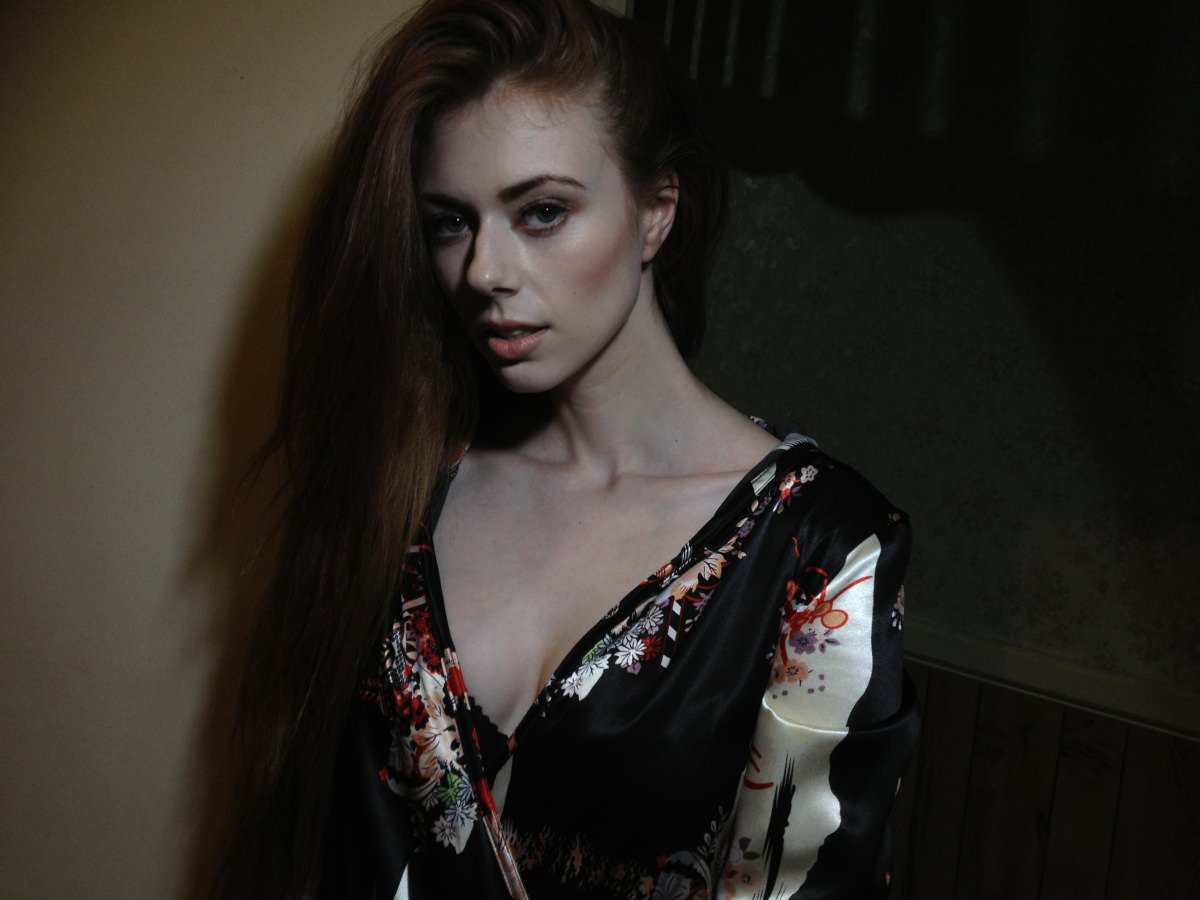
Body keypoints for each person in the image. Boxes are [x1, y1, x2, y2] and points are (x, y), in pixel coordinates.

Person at [218, 1, 918, 897]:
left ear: (657, 211)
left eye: (542, 211)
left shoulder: (821, 548)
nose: (483, 272)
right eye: (449, 222)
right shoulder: (404, 483)